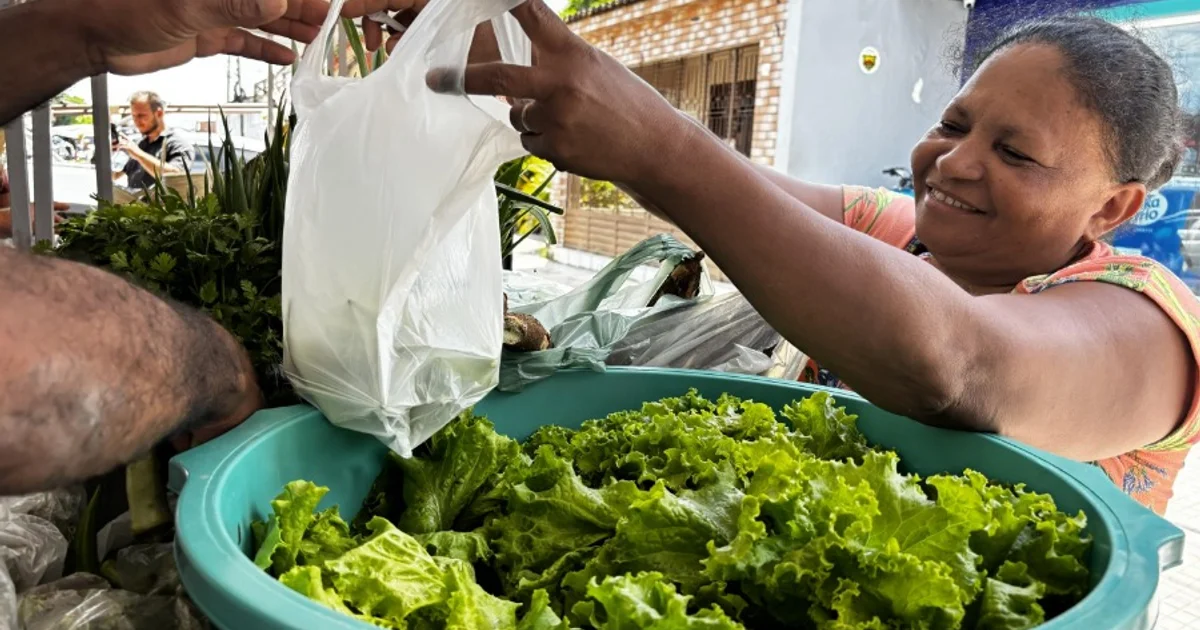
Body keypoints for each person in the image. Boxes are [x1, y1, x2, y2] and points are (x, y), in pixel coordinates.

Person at [402, 1, 1197, 513]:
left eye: (1014, 153)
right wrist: (459, 25)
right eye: (953, 125)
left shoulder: (1151, 326)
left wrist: (654, 146)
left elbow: (963, 365)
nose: (953, 164)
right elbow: (737, 189)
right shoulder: (900, 234)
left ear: (1112, 206)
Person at [0, 0, 389, 495]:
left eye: (142, 115)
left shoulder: (175, 138)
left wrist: (85, 30)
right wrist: (218, 370)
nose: (138, 122)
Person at [113, 91, 195, 190]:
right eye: (133, 116)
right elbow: (116, 176)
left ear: (159, 113)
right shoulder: (140, 144)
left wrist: (138, 154)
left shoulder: (177, 145)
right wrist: (108, 153)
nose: (136, 122)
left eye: (141, 116)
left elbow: (176, 176)